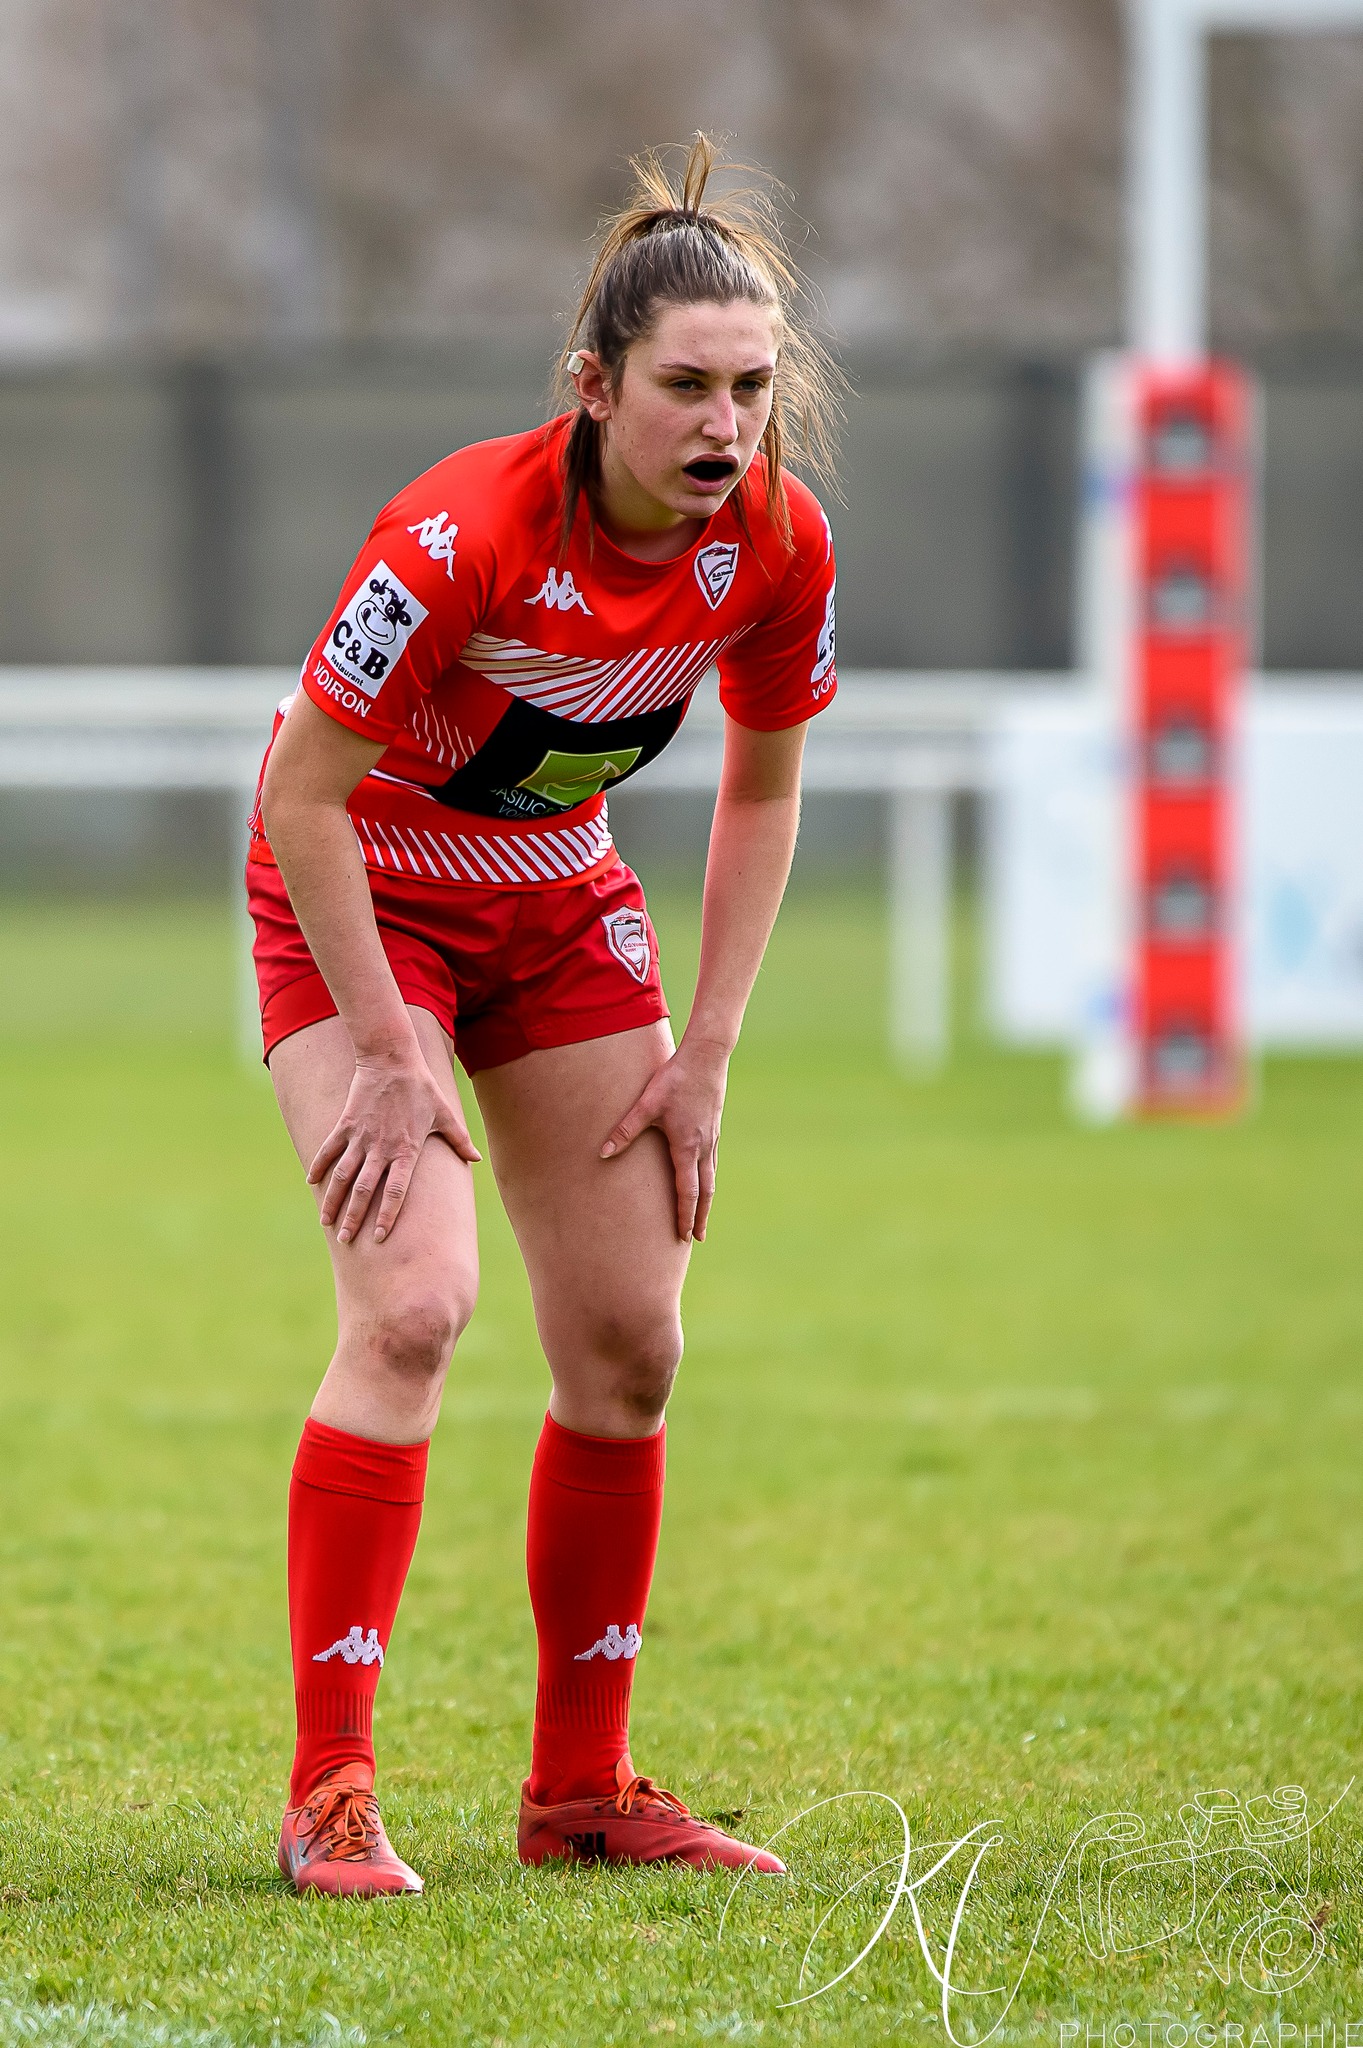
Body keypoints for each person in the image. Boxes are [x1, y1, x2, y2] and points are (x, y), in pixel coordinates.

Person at [250, 134, 844, 1896]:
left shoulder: (777, 542)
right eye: (686, 387)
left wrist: (710, 1050)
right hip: (361, 885)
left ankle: (581, 1792)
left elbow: (758, 790)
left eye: (750, 386)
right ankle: (331, 1787)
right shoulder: (459, 536)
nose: (724, 422)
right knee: (419, 1301)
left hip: (558, 897)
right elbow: (301, 796)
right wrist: (380, 1045)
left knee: (632, 1346)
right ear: (596, 387)